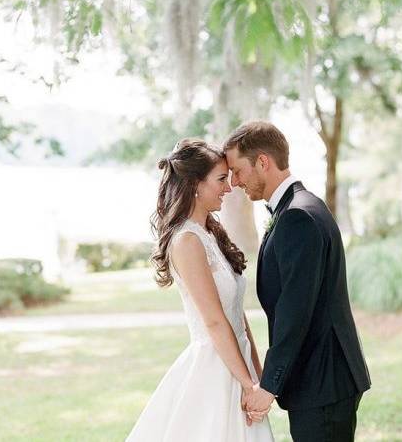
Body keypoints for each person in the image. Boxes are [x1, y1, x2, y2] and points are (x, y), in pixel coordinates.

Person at [224, 121, 371, 442]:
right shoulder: (301, 206)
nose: (234, 182)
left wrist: (269, 386)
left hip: (323, 380)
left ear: (263, 161)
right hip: (321, 379)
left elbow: (295, 311)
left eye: (238, 171)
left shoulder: (297, 217)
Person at [126, 138, 274, 442]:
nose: (229, 187)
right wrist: (247, 384)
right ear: (195, 184)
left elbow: (236, 315)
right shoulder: (186, 241)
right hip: (215, 369)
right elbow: (214, 321)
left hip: (238, 361)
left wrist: (257, 375)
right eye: (221, 179)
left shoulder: (210, 234)